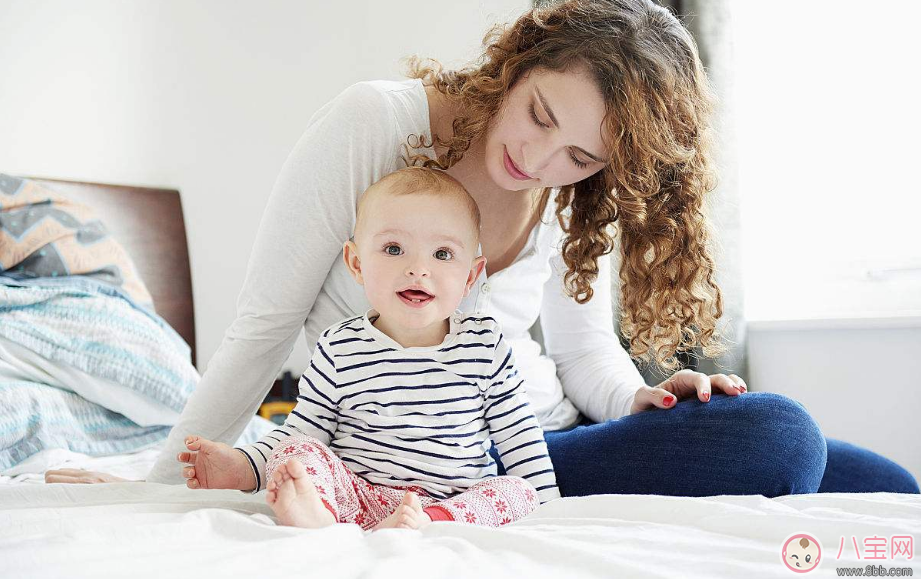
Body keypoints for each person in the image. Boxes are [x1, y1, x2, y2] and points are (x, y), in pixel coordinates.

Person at [47, 0, 918, 495]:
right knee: (782, 437)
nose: (539, 160)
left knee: (884, 489)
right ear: (521, 58)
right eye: (540, 115)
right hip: (443, 457)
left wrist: (643, 405)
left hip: (544, 429)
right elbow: (265, 326)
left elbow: (584, 358)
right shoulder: (377, 124)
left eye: (579, 155)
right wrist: (163, 482)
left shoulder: (574, 193)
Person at [217, 167, 558, 531]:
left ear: (470, 277)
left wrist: (552, 512)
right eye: (394, 249)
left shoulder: (484, 345)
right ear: (357, 264)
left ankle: (422, 522)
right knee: (298, 451)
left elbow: (521, 438)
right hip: (358, 498)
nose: (418, 269)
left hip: (452, 507)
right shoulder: (339, 346)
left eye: (443, 254)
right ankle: (320, 516)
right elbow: (305, 428)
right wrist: (245, 464)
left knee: (518, 491)